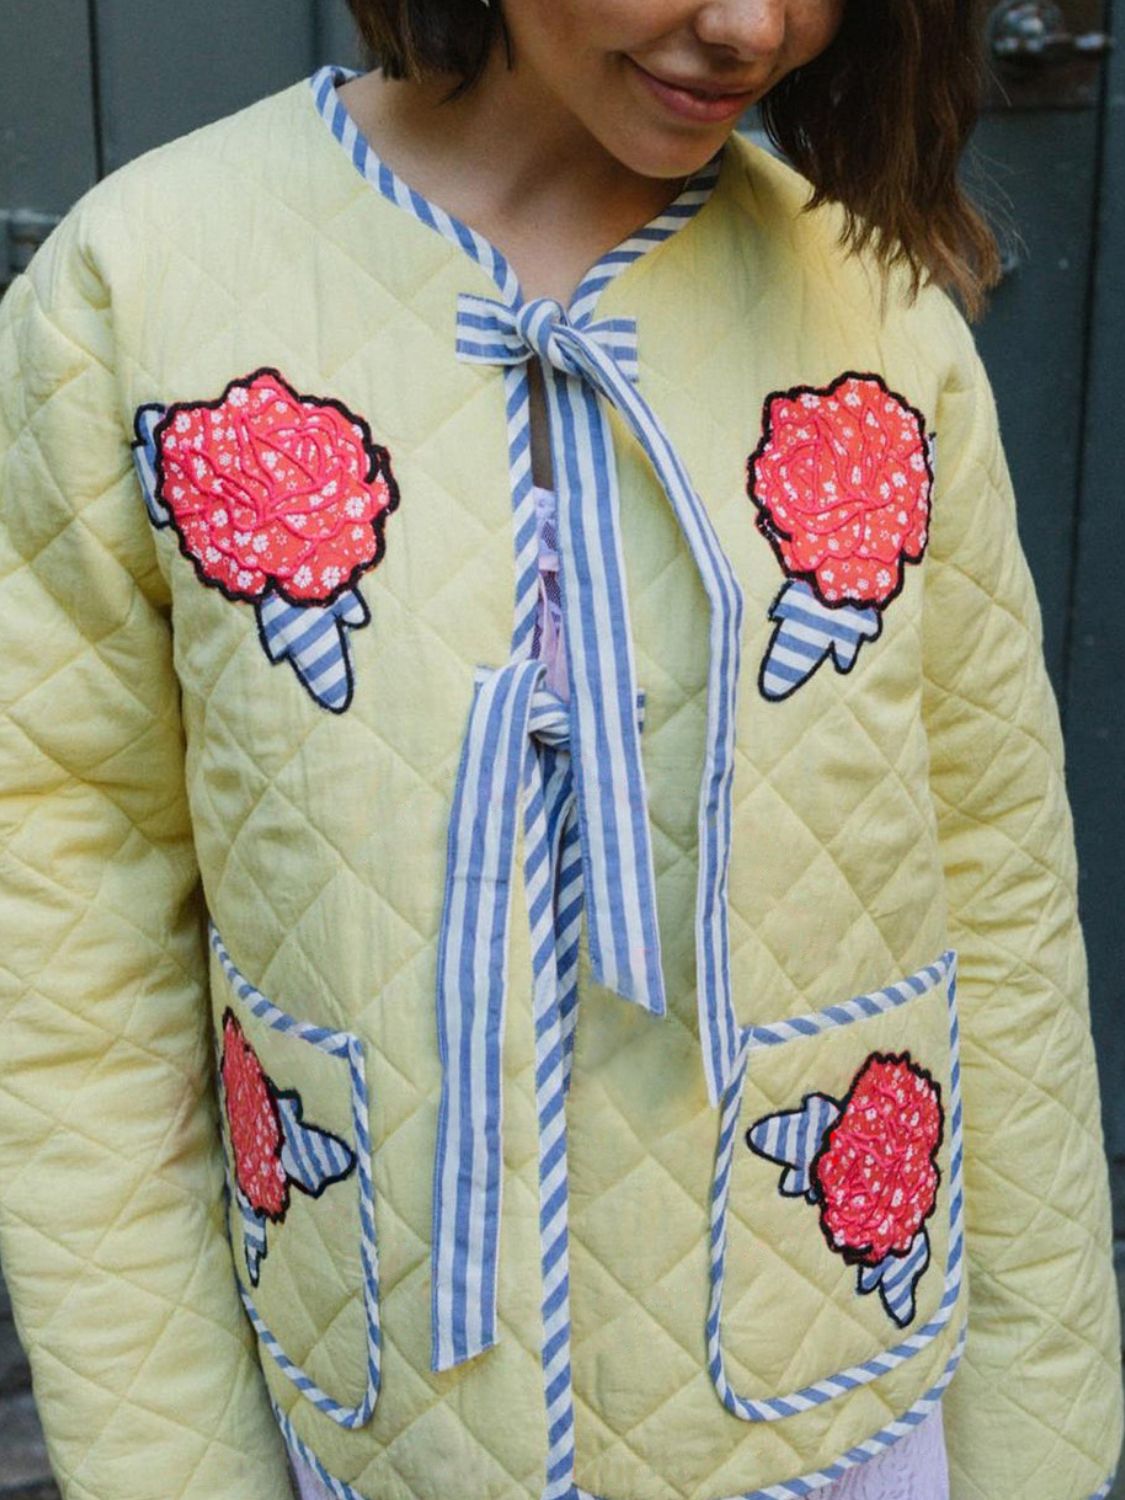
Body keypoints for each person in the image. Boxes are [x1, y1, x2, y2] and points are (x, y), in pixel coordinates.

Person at [0, 2, 1121, 1498]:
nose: (749, 27)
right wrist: (167, 1465)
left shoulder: (874, 309)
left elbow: (999, 894)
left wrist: (1039, 1444)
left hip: (831, 1390)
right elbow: (68, 952)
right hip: (376, 1405)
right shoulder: (144, 284)